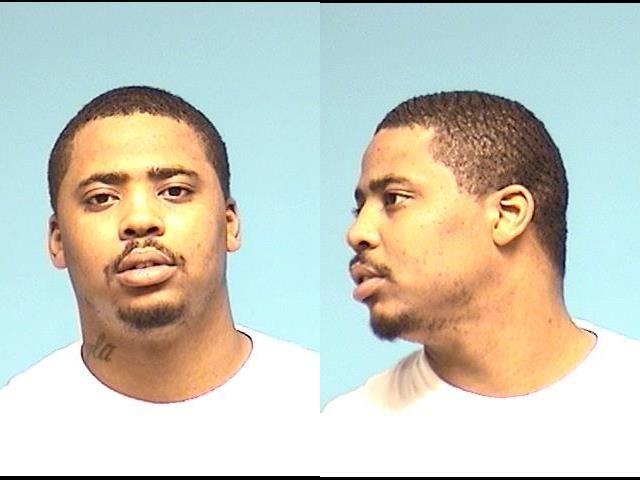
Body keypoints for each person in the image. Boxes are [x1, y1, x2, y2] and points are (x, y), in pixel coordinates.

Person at [0, 86, 318, 475]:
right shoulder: (13, 435)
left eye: (175, 191)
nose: (140, 220)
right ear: (57, 240)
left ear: (230, 224)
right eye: (101, 198)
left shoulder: (320, 411)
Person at [322, 91, 640, 474]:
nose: (357, 232)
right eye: (359, 208)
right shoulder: (343, 440)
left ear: (508, 214)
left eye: (394, 199)